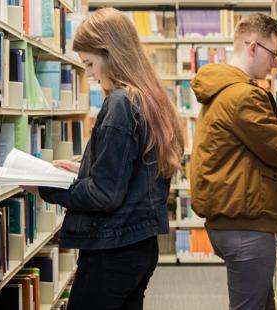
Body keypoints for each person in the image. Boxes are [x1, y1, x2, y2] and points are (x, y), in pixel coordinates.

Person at [22, 7, 184, 309]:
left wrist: (43, 187)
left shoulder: (120, 103)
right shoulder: (150, 97)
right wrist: (85, 168)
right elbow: (136, 169)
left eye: (90, 63)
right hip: (140, 246)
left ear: (111, 54)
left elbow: (104, 194)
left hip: (112, 249)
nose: (90, 74)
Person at [189, 13, 277, 310]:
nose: (276, 63)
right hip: (245, 226)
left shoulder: (221, 90)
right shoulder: (243, 96)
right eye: (273, 53)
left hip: (231, 220)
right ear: (253, 47)